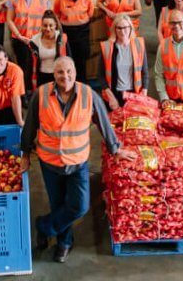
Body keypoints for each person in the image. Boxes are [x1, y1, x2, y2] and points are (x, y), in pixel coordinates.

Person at [20, 56, 136, 263]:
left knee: (79, 206)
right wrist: (25, 154)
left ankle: (43, 226)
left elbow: (103, 122)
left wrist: (116, 149)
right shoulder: (42, 95)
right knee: (59, 205)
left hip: (78, 162)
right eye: (60, 73)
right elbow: (29, 127)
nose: (65, 76)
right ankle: (64, 243)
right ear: (53, 75)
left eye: (69, 71)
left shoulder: (88, 95)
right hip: (50, 163)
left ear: (75, 71)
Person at [7, 0, 49, 91]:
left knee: (40, 66)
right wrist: (20, 36)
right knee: (24, 67)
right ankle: (25, 92)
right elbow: (9, 20)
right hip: (21, 40)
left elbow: (48, 17)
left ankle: (40, 91)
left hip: (38, 39)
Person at [53, 0, 95, 83]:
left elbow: (90, 14)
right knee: (68, 59)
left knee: (82, 60)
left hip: (83, 33)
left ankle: (82, 82)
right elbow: (56, 15)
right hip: (68, 34)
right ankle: (69, 82)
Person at [99, 15, 148, 111]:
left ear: (130, 28)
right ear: (114, 29)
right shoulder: (107, 47)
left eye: (125, 27)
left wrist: (144, 93)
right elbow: (100, 76)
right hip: (114, 94)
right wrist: (111, 98)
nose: (122, 31)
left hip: (134, 95)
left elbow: (145, 72)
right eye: (119, 28)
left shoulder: (139, 44)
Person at [30, 12, 69, 88]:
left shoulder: (62, 39)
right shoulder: (34, 41)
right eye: (45, 25)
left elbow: (69, 60)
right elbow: (30, 64)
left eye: (51, 25)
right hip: (41, 77)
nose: (48, 28)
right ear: (41, 26)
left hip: (58, 76)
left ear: (55, 26)